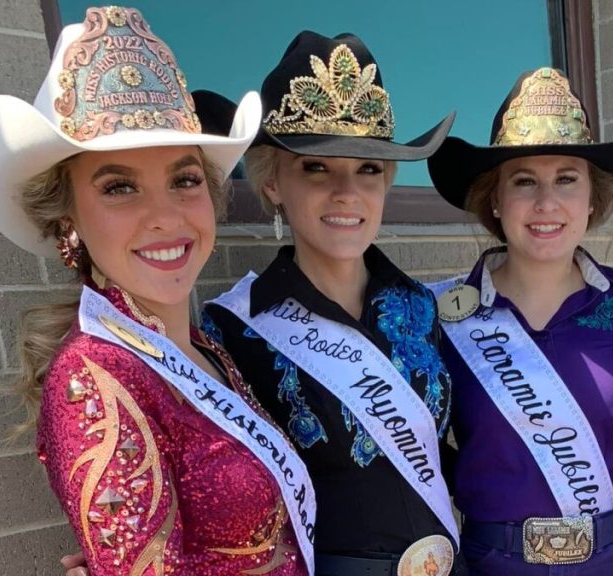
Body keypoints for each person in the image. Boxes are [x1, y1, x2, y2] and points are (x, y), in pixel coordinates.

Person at [0, 6, 314, 575]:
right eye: (120, 187)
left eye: (184, 180)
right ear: (68, 220)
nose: (165, 216)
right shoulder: (94, 376)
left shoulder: (206, 350)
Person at [196, 31, 463, 576]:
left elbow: (434, 455)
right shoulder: (233, 327)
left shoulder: (417, 305)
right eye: (316, 168)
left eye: (368, 169)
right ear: (272, 183)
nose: (347, 191)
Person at [425, 67, 613, 575]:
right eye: (523, 181)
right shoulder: (443, 317)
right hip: (493, 563)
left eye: (566, 179)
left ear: (592, 198)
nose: (546, 203)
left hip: (610, 561)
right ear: (495, 198)